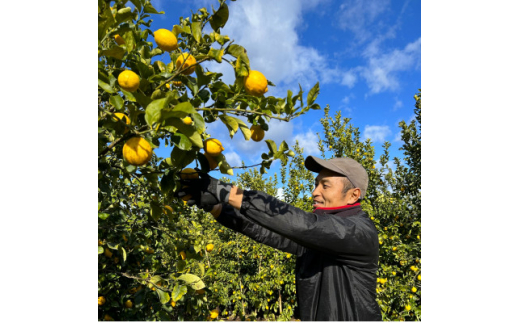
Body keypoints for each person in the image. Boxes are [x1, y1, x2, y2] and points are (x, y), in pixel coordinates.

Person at [177, 156, 382, 321]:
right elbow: (268, 232)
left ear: (354, 195)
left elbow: (303, 225)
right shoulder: (318, 237)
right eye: (315, 184)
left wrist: (225, 192)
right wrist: (217, 208)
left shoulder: (359, 231)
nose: (314, 192)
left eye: (325, 186)